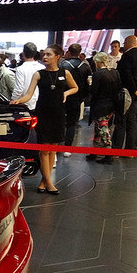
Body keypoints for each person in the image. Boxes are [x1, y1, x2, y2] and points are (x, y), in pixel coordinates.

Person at [11, 44, 78, 194]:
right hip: (43, 113)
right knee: (44, 150)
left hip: (59, 114)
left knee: (53, 149)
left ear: (57, 57)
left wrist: (66, 93)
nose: (45, 57)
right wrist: (19, 101)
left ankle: (43, 182)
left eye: (49, 54)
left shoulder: (65, 73)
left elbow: (75, 87)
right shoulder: (38, 74)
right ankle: (49, 182)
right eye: (44, 54)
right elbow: (29, 95)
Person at [85, 52, 120, 164]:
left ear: (98, 62)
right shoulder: (115, 73)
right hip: (111, 105)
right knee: (99, 128)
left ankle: (108, 154)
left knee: (102, 129)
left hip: (100, 105)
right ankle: (95, 151)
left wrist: (89, 84)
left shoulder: (98, 74)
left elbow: (93, 91)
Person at [61, 43, 91, 155]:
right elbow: (88, 84)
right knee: (71, 124)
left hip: (63, 96)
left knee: (60, 121)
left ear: (69, 52)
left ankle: (56, 147)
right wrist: (84, 97)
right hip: (77, 98)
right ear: (80, 52)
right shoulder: (85, 66)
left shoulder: (63, 65)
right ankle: (67, 148)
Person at [11, 42, 40, 110]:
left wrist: (13, 100)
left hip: (25, 104)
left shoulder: (20, 69)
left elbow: (19, 89)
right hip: (40, 103)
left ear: (23, 53)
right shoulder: (42, 67)